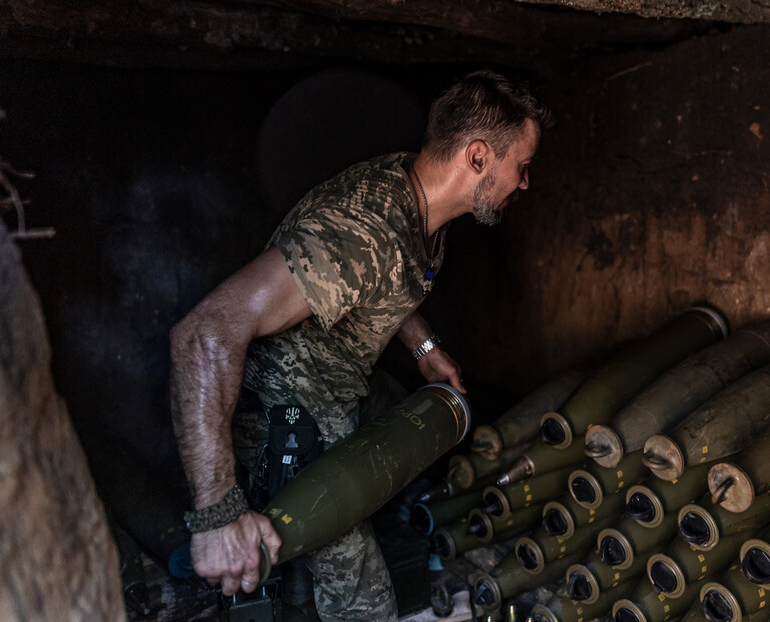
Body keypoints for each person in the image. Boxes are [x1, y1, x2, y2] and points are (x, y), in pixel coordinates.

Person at [170, 70, 550, 621]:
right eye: (522, 165)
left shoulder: (413, 199)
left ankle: (312, 572)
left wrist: (426, 349)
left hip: (341, 382)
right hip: (285, 416)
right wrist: (216, 516)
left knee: (408, 419)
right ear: (477, 157)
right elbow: (203, 336)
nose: (524, 183)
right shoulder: (359, 230)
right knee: (368, 602)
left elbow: (382, 282)